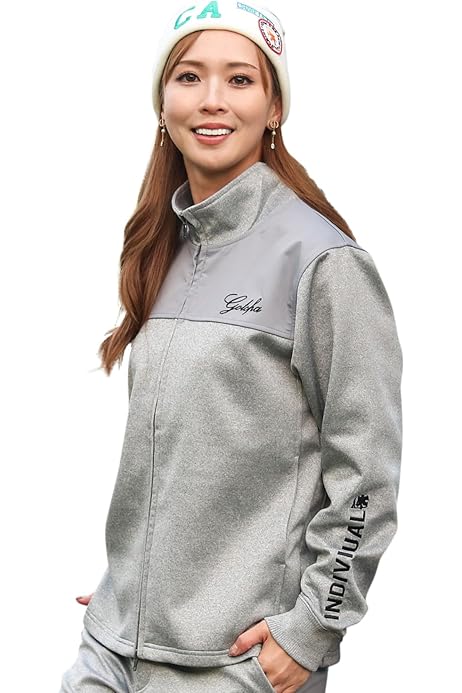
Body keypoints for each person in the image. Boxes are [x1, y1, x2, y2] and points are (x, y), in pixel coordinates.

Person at [59, 1, 403, 691]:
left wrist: (312, 629)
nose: (212, 98)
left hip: (232, 664)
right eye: (189, 76)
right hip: (116, 644)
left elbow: (366, 474)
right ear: (163, 103)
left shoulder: (324, 263)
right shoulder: (162, 248)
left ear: (274, 108)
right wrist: (137, 588)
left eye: (240, 79)